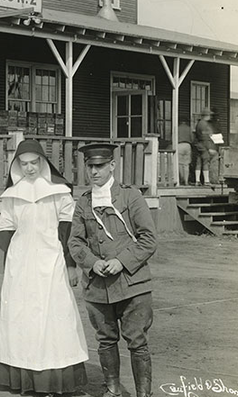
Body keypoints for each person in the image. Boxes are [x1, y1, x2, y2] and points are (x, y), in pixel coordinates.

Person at [0, 139, 88, 396]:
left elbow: (68, 231)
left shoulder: (58, 191)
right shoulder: (12, 195)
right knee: (21, 317)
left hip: (51, 260)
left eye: (34, 163)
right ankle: (25, 378)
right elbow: (5, 229)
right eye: (23, 164)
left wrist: (70, 265)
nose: (29, 168)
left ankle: (55, 379)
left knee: (54, 317)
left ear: (43, 163)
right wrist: (10, 261)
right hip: (21, 263)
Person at [69, 143, 157, 397]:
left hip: (133, 284)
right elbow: (75, 241)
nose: (94, 172)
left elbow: (148, 238)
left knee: (137, 341)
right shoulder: (84, 202)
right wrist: (91, 262)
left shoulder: (130, 197)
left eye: (100, 166)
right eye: (90, 166)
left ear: (112, 166)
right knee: (106, 340)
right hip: (98, 287)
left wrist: (122, 261)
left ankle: (143, 394)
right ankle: (112, 389)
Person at [193, 108, 217, 185]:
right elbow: (205, 137)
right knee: (205, 162)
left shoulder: (199, 123)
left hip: (198, 145)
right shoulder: (204, 124)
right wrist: (209, 147)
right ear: (206, 115)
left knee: (198, 162)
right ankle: (206, 181)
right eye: (209, 115)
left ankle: (197, 180)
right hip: (204, 145)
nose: (210, 116)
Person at [176, 119, 192, 186]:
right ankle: (186, 181)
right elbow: (192, 138)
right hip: (187, 145)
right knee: (186, 164)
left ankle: (181, 179)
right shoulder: (189, 128)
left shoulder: (177, 128)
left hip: (179, 145)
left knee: (180, 163)